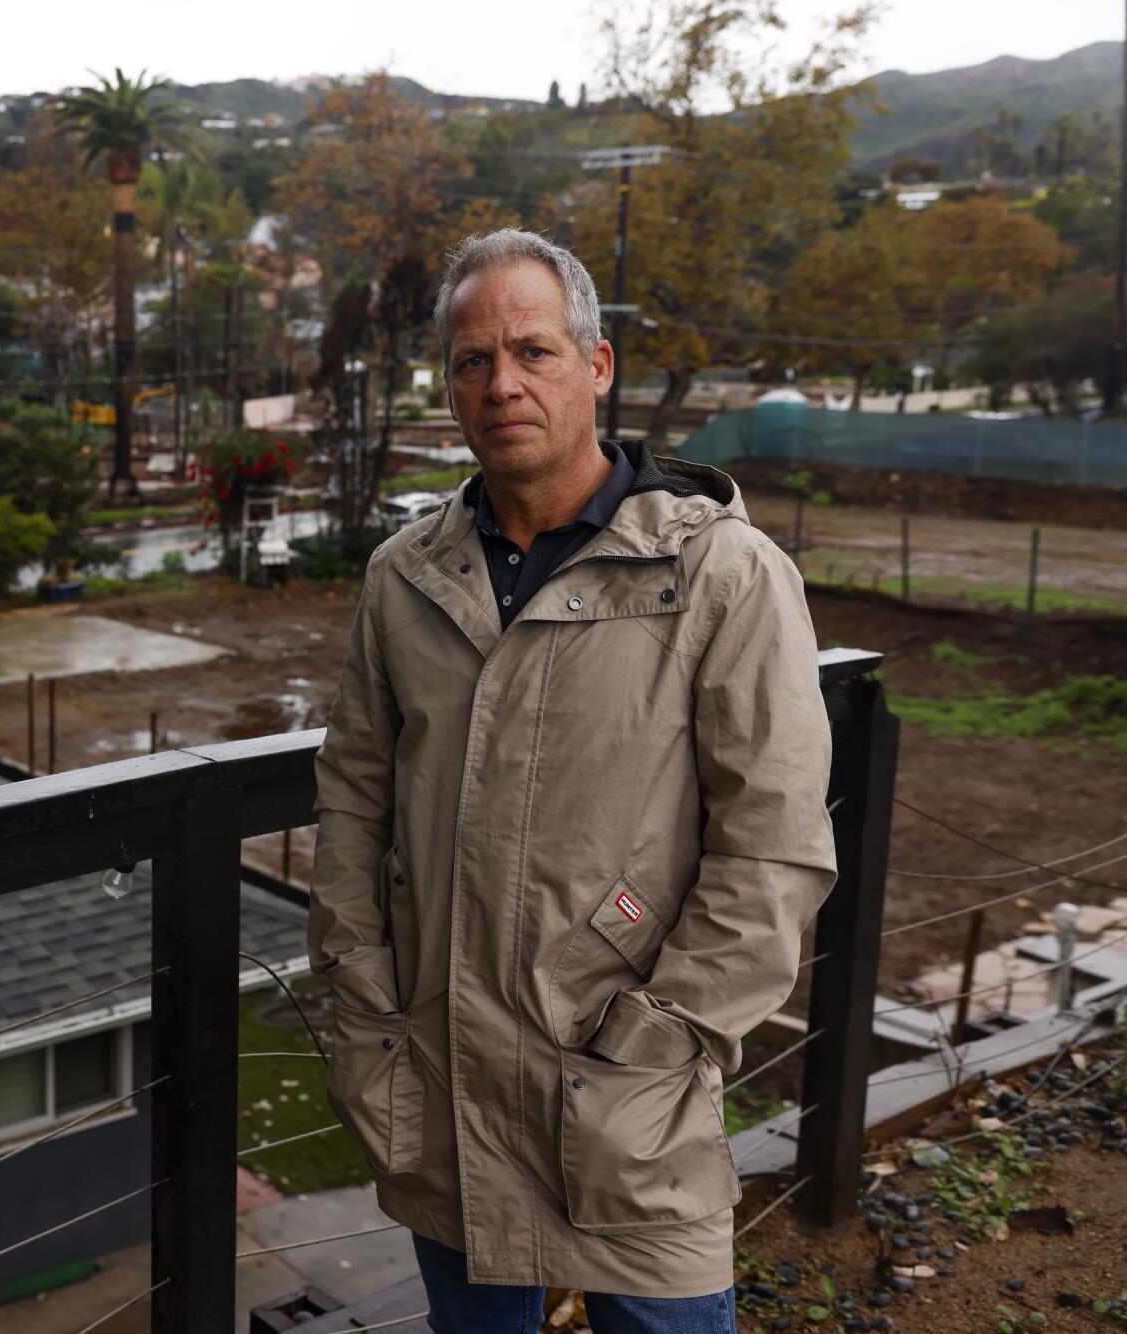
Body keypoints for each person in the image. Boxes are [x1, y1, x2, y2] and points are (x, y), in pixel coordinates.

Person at [307, 229, 837, 1333]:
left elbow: (772, 844)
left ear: (594, 366)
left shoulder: (718, 574)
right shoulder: (403, 577)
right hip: (444, 1092)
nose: (500, 383)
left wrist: (655, 1043)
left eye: (532, 351)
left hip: (629, 1108)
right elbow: (353, 799)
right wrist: (362, 1006)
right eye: (469, 359)